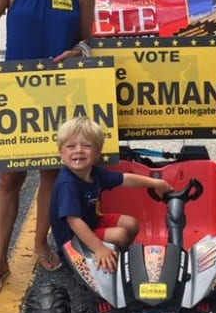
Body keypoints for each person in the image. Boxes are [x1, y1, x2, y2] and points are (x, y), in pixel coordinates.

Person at [0, 0, 95, 296]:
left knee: (49, 174)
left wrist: (79, 52)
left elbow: (88, 42)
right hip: (15, 95)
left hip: (60, 96)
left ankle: (40, 241)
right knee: (10, 178)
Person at [50, 117, 172, 273]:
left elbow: (124, 179)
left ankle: (116, 257)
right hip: (73, 239)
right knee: (120, 235)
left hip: (91, 222)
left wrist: (156, 183)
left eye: (86, 146)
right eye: (71, 146)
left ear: (97, 152)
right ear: (61, 152)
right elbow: (74, 221)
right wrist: (99, 248)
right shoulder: (67, 184)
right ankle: (110, 266)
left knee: (131, 224)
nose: (78, 150)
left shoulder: (93, 173)